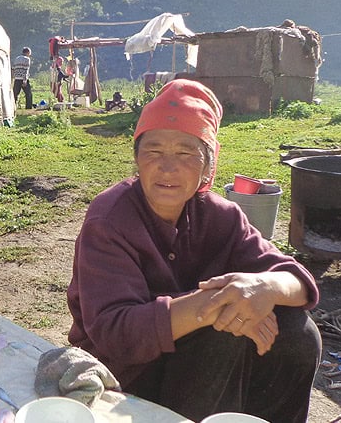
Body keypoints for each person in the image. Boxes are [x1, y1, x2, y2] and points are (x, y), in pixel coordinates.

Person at [67, 79, 321, 423]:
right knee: (223, 332)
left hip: (199, 364)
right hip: (125, 374)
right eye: (153, 151)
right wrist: (215, 305)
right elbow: (116, 334)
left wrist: (265, 288)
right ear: (137, 160)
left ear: (207, 167)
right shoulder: (110, 219)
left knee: (297, 332)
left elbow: (298, 281)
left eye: (186, 153)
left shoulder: (221, 216)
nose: (167, 167)